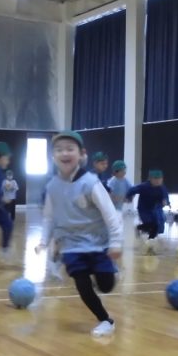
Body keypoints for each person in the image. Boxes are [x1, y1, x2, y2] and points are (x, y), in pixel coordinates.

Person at [37, 131, 122, 338]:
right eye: (59, 150)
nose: (64, 153)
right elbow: (49, 217)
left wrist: (116, 242)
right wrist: (43, 241)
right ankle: (105, 320)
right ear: (53, 156)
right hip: (71, 246)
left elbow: (110, 213)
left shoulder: (90, 183)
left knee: (106, 286)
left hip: (98, 244)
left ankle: (110, 272)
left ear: (82, 154)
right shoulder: (52, 187)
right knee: (82, 285)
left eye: (70, 149)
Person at [126, 170, 170, 241]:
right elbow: (132, 190)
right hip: (144, 209)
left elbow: (165, 196)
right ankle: (139, 228)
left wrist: (166, 201)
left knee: (158, 225)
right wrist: (129, 197)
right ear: (150, 179)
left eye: (160, 179)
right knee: (150, 224)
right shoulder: (144, 186)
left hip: (155, 208)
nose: (158, 181)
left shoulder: (162, 188)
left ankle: (151, 240)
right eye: (155, 179)